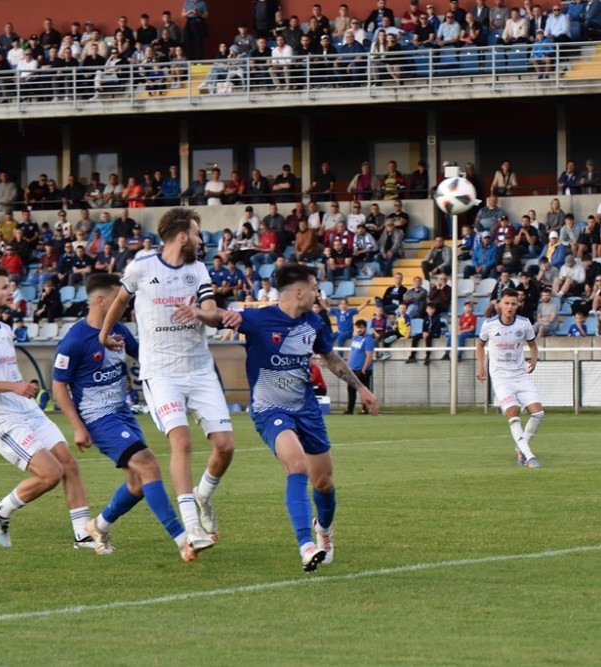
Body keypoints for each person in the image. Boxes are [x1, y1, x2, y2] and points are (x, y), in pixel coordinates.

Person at [219, 264, 379, 571]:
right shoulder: (258, 318)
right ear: (299, 291)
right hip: (270, 409)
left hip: (306, 410)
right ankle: (306, 545)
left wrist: (361, 388)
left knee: (324, 482)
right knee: (296, 465)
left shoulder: (315, 322)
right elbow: (216, 316)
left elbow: (330, 358)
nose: (319, 292)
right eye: (315, 286)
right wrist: (198, 311)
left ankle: (324, 530)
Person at [99, 207, 234, 554]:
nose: (201, 241)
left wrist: (198, 312)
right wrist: (104, 333)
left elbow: (213, 315)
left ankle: (203, 495)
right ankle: (192, 526)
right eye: (197, 234)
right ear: (182, 236)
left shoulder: (198, 269)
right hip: (161, 372)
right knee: (182, 441)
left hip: (199, 370)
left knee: (225, 446)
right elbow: (120, 301)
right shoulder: (142, 266)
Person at [51, 273, 196, 560]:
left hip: (123, 413)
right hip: (98, 417)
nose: (124, 302)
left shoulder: (118, 330)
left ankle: (97, 527)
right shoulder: (74, 341)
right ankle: (183, 540)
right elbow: (58, 386)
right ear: (100, 300)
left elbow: (145, 357)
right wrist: (77, 428)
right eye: (118, 297)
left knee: (138, 484)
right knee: (149, 464)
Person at [0, 266, 95, 549]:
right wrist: (13, 387)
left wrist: (23, 387)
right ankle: (0, 510)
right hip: (3, 419)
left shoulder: (5, 330)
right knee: (51, 473)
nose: (11, 291)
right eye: (5, 287)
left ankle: (83, 536)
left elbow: (6, 373)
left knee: (69, 464)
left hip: (27, 410)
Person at [477, 288, 543, 468]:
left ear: (518, 305)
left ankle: (520, 447)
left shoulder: (524, 323)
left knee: (538, 414)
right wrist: (481, 367)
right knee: (513, 412)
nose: (510, 307)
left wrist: (534, 360)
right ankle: (529, 456)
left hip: (520, 375)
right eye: (506, 303)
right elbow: (480, 345)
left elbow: (532, 344)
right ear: (500, 304)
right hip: (500, 376)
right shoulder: (489, 324)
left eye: (513, 304)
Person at [345, 319, 374, 414]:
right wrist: (349, 365)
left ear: (365, 328)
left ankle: (365, 409)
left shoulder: (368, 339)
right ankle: (350, 410)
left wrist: (364, 369)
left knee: (364, 390)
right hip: (353, 369)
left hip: (362, 370)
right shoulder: (356, 338)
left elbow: (369, 356)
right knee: (351, 389)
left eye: (361, 327)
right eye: (358, 327)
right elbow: (352, 352)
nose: (359, 329)